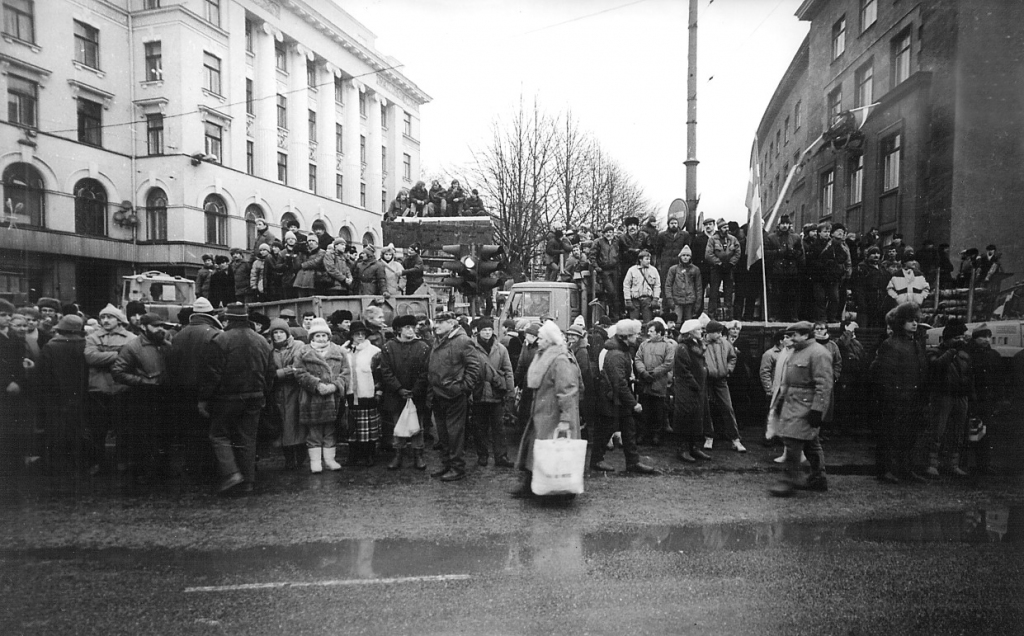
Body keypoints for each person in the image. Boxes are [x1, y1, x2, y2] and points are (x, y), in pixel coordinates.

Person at [198, 303, 275, 495]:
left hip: (228, 397)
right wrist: (264, 392)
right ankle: (248, 481)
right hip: (255, 396)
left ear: (228, 319)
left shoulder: (221, 340)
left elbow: (212, 374)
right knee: (247, 438)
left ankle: (232, 473)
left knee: (219, 434)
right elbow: (270, 372)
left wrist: (204, 399)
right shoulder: (262, 341)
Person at [511, 321, 582, 497]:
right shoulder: (544, 355)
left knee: (551, 452)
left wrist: (566, 420)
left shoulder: (560, 360)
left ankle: (558, 489)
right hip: (542, 412)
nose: (538, 341)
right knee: (537, 450)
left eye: (542, 338)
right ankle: (531, 484)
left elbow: (567, 391)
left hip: (554, 415)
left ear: (550, 340)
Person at [768, 321, 834, 497]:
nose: (790, 339)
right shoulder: (797, 352)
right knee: (811, 443)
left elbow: (824, 385)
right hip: (793, 402)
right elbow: (789, 380)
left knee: (793, 441)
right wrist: (781, 400)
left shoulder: (819, 354)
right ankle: (818, 478)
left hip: (806, 405)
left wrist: (817, 410)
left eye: (794, 335)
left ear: (806, 335)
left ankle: (788, 480)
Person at [869, 303, 929, 484]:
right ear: (900, 322)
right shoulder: (890, 344)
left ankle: (906, 469)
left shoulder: (916, 344)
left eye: (916, 321)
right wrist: (892, 398)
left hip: (913, 399)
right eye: (910, 320)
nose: (914, 324)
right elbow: (885, 376)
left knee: (909, 437)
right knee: (890, 436)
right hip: (895, 401)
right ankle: (886, 470)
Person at [589, 319, 658, 474]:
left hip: (616, 399)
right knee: (605, 431)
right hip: (611, 399)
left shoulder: (621, 350)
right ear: (625, 337)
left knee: (629, 429)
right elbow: (619, 383)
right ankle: (597, 461)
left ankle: (632, 462)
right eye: (634, 335)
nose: (637, 337)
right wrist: (634, 403)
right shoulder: (617, 355)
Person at [166, 297, 222, 477]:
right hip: (207, 392)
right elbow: (214, 369)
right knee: (209, 432)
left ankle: (192, 469)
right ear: (211, 314)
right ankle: (209, 470)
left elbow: (172, 366)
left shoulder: (179, 335)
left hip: (183, 391)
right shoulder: (214, 334)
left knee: (190, 432)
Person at [427, 312, 481, 482]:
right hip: (438, 394)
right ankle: (447, 464)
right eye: (436, 322)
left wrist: (462, 388)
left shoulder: (463, 341)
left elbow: (474, 367)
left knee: (454, 434)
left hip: (454, 396)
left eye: (440, 323)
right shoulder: (439, 339)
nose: (436, 326)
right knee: (443, 433)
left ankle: (457, 468)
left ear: (451, 324)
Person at [83, 303, 135, 476]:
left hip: (122, 389)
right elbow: (90, 357)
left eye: (109, 317)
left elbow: (132, 361)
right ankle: (96, 463)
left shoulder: (131, 338)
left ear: (119, 320)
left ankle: (122, 461)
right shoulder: (92, 337)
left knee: (123, 429)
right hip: (99, 389)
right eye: (102, 317)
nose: (105, 320)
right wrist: (118, 354)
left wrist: (104, 355)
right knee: (97, 430)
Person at [294, 318, 350, 472]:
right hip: (312, 398)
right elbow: (299, 372)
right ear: (311, 337)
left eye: (324, 335)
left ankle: (330, 459)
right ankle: (315, 461)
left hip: (333, 398)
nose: (321, 338)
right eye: (317, 336)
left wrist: (334, 386)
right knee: (314, 431)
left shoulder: (339, 351)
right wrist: (317, 385)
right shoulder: (303, 352)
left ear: (329, 336)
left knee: (330, 430)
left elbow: (346, 373)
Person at [36, 314, 88, 475]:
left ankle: (56, 467)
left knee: (56, 431)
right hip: (80, 395)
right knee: (78, 429)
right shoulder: (85, 345)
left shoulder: (51, 346)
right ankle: (78, 465)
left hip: (56, 397)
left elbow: (43, 375)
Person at [923, 320, 974, 477]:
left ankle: (953, 464)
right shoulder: (935, 352)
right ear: (948, 338)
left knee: (958, 432)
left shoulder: (965, 355)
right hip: (942, 395)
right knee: (937, 430)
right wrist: (951, 351)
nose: (961, 340)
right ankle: (932, 464)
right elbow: (937, 367)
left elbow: (970, 375)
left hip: (960, 396)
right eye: (957, 336)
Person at [380, 315, 431, 470]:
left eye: (412, 327)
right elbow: (386, 371)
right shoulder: (389, 347)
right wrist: (399, 389)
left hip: (417, 395)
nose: (411, 330)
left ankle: (418, 455)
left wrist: (415, 390)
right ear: (398, 330)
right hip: (396, 395)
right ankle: (398, 455)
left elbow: (425, 371)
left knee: (418, 426)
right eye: (407, 327)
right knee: (398, 425)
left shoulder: (423, 347)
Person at [469, 318, 515, 468]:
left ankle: (501, 456)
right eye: (484, 330)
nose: (487, 333)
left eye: (489, 330)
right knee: (479, 427)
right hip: (478, 392)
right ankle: (482, 455)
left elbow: (508, 371)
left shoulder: (501, 349)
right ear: (478, 332)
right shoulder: (472, 348)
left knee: (499, 427)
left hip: (496, 392)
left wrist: (510, 391)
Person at [267, 319, 307, 470]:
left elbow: (298, 366)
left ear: (287, 333)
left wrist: (278, 374)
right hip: (278, 393)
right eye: (275, 333)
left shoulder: (298, 346)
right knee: (283, 426)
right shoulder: (269, 349)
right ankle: (289, 458)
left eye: (281, 332)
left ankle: (301, 456)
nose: (278, 336)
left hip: (295, 391)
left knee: (297, 425)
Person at [672, 319, 713, 463]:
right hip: (687, 388)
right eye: (698, 330)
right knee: (685, 416)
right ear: (689, 333)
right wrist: (695, 384)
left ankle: (694, 447)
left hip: (697, 388)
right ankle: (683, 449)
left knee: (697, 417)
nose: (701, 331)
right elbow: (683, 370)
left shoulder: (698, 345)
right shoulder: (683, 348)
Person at [702, 320, 746, 453]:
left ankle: (735, 439)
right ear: (708, 333)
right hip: (706, 381)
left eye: (720, 332)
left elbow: (732, 357)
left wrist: (728, 370)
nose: (720, 335)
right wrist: (704, 371)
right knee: (706, 409)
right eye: (717, 332)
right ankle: (709, 436)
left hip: (721, 381)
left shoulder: (725, 343)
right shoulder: (701, 344)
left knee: (728, 408)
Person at [634, 320, 674, 446]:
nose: (649, 333)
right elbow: (638, 359)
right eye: (648, 331)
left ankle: (657, 435)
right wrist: (643, 372)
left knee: (658, 410)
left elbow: (668, 364)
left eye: (651, 331)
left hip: (659, 383)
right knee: (644, 410)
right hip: (645, 383)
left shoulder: (668, 346)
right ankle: (643, 434)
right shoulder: (644, 345)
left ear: (659, 333)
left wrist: (654, 373)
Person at [815, 223, 851, 322]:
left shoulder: (841, 245)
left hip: (834, 276)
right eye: (825, 232)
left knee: (834, 298)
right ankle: (822, 318)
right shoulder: (823, 244)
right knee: (821, 298)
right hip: (821, 275)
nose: (841, 234)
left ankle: (831, 317)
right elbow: (818, 257)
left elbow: (844, 258)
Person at [705, 218, 741, 319]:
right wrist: (719, 263)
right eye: (724, 227)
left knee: (728, 292)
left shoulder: (733, 239)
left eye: (727, 227)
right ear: (720, 228)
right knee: (714, 292)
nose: (727, 229)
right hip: (716, 269)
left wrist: (731, 263)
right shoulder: (712, 239)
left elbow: (738, 252)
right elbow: (708, 254)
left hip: (729, 269)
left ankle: (728, 315)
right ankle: (712, 315)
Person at [812, 321, 842, 434]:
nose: (819, 331)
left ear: (826, 330)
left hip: (828, 381)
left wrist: (834, 376)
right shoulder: (810, 345)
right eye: (817, 329)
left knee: (827, 407)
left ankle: (824, 431)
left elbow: (838, 362)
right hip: (813, 381)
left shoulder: (832, 346)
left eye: (822, 328)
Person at [654, 215, 690, 302]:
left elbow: (687, 248)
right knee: (666, 285)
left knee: (679, 284)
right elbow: (658, 251)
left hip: (679, 263)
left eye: (675, 223)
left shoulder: (684, 235)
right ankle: (666, 307)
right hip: (666, 263)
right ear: (668, 224)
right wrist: (659, 264)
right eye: (671, 223)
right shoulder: (662, 235)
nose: (674, 225)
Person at [589, 223, 621, 317]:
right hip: (604, 270)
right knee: (611, 291)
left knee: (617, 292)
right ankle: (611, 314)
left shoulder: (617, 241)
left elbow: (620, 254)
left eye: (610, 232)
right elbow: (592, 255)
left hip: (615, 269)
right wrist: (597, 267)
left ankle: (614, 314)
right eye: (607, 232)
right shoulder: (599, 242)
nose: (609, 234)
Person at [852, 247, 888, 328]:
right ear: (868, 255)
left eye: (878, 253)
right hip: (866, 301)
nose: (876, 255)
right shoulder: (861, 268)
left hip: (880, 301)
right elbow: (857, 287)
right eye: (873, 253)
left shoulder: (882, 268)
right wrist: (861, 302)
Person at [622, 250, 661, 323]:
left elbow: (657, 285)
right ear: (640, 260)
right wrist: (628, 300)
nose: (648, 261)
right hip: (635, 300)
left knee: (648, 323)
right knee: (633, 323)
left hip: (647, 300)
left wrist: (655, 299)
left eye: (649, 259)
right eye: (646, 259)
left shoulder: (654, 270)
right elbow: (626, 285)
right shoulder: (632, 270)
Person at [665, 246, 702, 322]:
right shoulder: (673, 269)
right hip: (677, 301)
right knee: (676, 322)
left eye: (688, 256)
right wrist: (670, 300)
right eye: (683, 255)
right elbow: (668, 285)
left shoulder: (695, 270)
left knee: (688, 323)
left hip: (690, 301)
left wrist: (697, 303)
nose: (685, 257)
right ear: (680, 256)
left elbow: (698, 287)